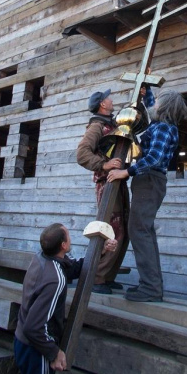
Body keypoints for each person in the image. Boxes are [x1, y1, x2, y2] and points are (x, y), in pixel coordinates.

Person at [107, 89, 187, 303]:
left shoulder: (163, 128)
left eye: (158, 103)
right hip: (150, 182)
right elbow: (153, 106)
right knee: (145, 231)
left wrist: (126, 171)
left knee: (139, 231)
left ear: (164, 108)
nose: (154, 105)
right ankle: (151, 284)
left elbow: (154, 157)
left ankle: (150, 288)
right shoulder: (160, 124)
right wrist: (147, 92)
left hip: (150, 180)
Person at [14, 222, 116, 374]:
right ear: (63, 245)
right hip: (35, 348)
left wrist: (101, 251)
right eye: (68, 236)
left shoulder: (42, 258)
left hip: (23, 341)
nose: (71, 238)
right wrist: (53, 352)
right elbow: (33, 328)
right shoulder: (55, 280)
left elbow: (73, 268)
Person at [76, 89, 127, 294]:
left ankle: (107, 276)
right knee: (112, 229)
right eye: (108, 98)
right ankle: (97, 278)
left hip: (118, 180)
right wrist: (103, 165)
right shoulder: (97, 126)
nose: (111, 99)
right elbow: (82, 154)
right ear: (102, 105)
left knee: (123, 228)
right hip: (106, 182)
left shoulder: (110, 125)